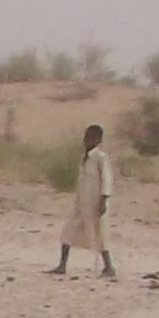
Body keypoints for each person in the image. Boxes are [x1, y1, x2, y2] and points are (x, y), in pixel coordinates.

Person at [53, 119, 116, 278]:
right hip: (81, 204)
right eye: (85, 136)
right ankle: (62, 265)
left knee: (99, 235)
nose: (86, 140)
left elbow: (107, 179)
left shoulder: (100, 157)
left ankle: (109, 267)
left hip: (94, 204)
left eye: (90, 137)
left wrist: (103, 200)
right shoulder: (86, 157)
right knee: (67, 232)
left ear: (98, 140)